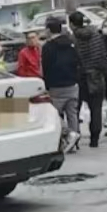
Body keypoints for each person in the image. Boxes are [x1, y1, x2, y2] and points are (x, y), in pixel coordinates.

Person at [41, 18, 81, 152]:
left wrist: (47, 86)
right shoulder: (71, 43)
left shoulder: (47, 47)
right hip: (72, 84)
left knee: (54, 115)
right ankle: (74, 142)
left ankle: (67, 136)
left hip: (56, 86)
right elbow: (78, 61)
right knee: (72, 114)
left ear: (48, 30)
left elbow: (46, 68)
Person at [69, 11, 107, 148]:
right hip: (96, 75)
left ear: (72, 24)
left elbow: (73, 59)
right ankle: (94, 139)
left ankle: (75, 140)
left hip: (80, 77)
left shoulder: (73, 39)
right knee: (96, 109)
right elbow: (102, 53)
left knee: (75, 110)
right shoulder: (96, 35)